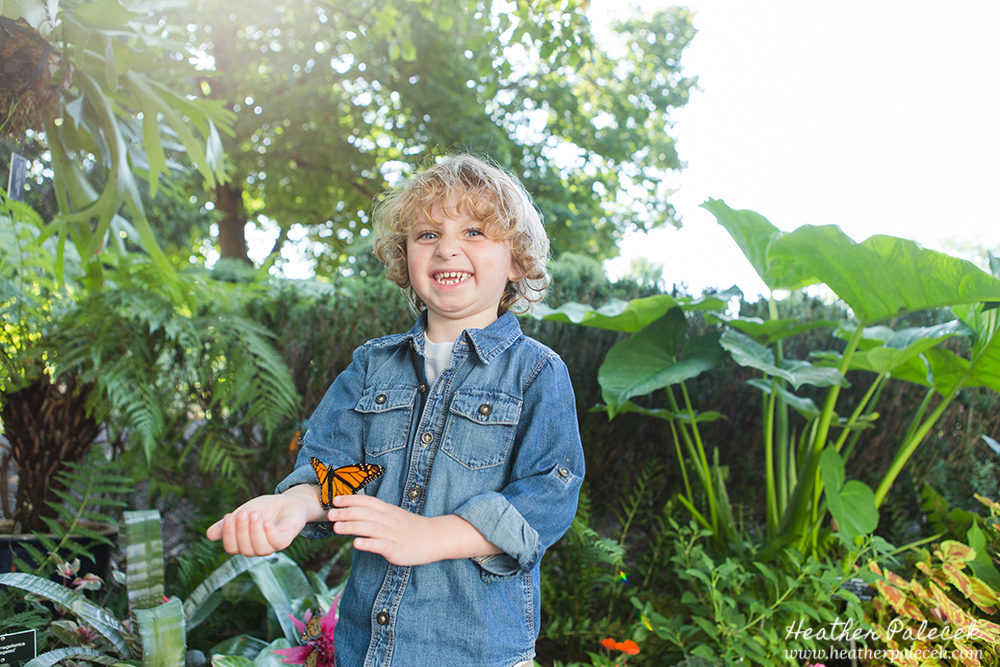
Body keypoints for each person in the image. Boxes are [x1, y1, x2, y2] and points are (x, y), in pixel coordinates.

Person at [206, 154, 584, 667]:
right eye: (427, 234)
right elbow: (335, 469)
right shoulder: (371, 366)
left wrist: (431, 535)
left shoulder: (536, 372)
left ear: (516, 261)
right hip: (369, 647)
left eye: (474, 232)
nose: (447, 247)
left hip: (479, 651)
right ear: (404, 255)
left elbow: (548, 496)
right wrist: (293, 505)